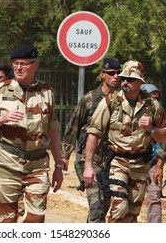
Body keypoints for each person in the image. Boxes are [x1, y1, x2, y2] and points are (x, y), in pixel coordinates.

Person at [0, 44, 63, 223]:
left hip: (38, 166)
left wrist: (58, 167)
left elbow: (53, 130)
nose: (18, 68)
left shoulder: (47, 92)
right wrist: (2, 119)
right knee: (5, 220)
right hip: (7, 165)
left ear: (35, 66)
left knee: (36, 220)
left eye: (24, 64)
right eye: (16, 63)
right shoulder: (0, 90)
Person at [83, 60, 166, 223]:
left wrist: (151, 129)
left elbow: (164, 136)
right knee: (119, 208)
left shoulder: (153, 106)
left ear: (140, 82)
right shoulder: (110, 102)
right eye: (123, 79)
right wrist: (88, 166)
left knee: (132, 215)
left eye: (130, 79)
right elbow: (94, 133)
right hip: (117, 162)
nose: (125, 82)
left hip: (140, 164)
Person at [61, 58, 121, 223]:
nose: (115, 76)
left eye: (118, 73)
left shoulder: (121, 100)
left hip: (111, 159)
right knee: (96, 205)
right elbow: (73, 126)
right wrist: (65, 155)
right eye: (111, 73)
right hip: (89, 158)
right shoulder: (89, 99)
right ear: (102, 75)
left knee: (104, 204)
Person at [140, 83, 166, 223]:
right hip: (135, 161)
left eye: (157, 98)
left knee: (154, 197)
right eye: (152, 98)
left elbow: (164, 142)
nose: (155, 102)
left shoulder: (159, 114)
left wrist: (159, 166)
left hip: (153, 160)